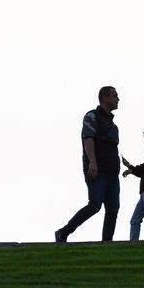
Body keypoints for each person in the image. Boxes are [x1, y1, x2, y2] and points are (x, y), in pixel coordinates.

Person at [56, 86, 122, 242]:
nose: (118, 98)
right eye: (115, 95)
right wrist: (92, 162)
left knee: (113, 209)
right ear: (104, 98)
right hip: (97, 171)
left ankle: (107, 243)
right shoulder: (92, 116)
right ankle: (63, 232)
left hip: (112, 173)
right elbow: (88, 139)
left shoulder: (113, 126)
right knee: (95, 205)